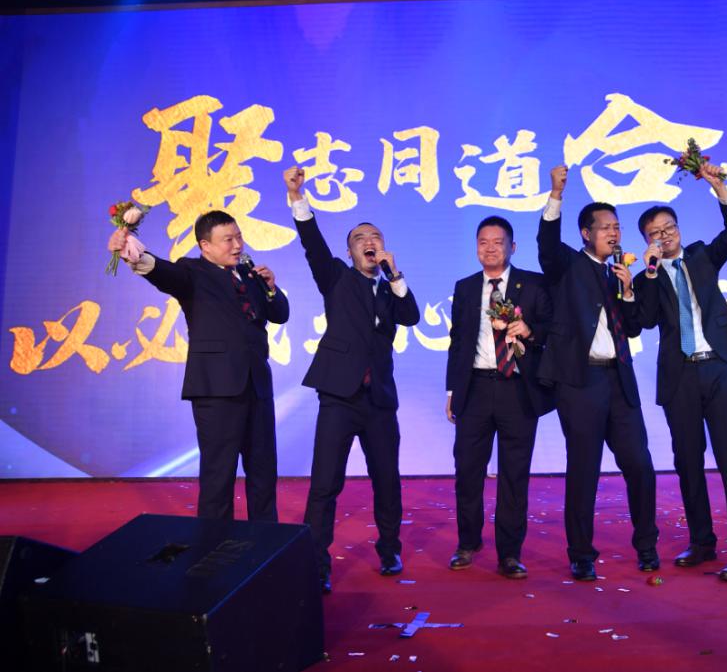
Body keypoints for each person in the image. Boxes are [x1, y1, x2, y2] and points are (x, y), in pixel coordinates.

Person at [284, 167, 419, 593]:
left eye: (375, 237)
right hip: (338, 397)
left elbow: (411, 316)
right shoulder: (337, 278)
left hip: (379, 400)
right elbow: (312, 243)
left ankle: (390, 549)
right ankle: (316, 562)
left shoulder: (391, 289)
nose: (369, 242)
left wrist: (395, 276)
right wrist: (298, 197)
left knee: (387, 480)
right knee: (325, 483)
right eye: (360, 238)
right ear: (349, 251)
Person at [108, 210, 288, 522]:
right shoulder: (192, 272)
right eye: (228, 240)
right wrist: (131, 252)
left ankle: (266, 541)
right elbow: (161, 271)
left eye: (238, 237)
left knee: (263, 472)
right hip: (216, 390)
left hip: (257, 387)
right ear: (205, 245)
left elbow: (280, 314)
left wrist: (271, 287)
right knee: (219, 475)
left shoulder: (249, 274)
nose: (237, 245)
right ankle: (215, 544)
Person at [633, 162, 727, 582]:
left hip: (719, 367)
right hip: (680, 376)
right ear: (647, 241)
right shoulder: (647, 276)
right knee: (688, 462)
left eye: (669, 227)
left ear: (679, 228)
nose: (665, 235)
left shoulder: (703, 256)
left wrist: (718, 186)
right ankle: (702, 541)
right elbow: (644, 321)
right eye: (655, 233)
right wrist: (650, 271)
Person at [537, 165, 659, 581]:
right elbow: (546, 244)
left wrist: (628, 290)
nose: (614, 233)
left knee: (640, 464)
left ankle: (647, 546)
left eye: (617, 226)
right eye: (605, 227)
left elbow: (636, 325)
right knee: (583, 469)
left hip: (618, 380)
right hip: (580, 382)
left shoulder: (620, 272)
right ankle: (582, 553)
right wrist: (556, 194)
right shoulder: (567, 265)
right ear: (586, 233)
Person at [444, 215, 554, 579]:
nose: (489, 248)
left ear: (512, 247)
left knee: (514, 474)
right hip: (475, 388)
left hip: (516, 390)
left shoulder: (534, 284)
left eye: (497, 242)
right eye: (483, 242)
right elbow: (458, 342)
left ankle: (509, 553)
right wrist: (452, 390)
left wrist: (531, 331)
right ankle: (467, 542)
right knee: (467, 470)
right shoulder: (465, 287)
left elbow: (553, 330)